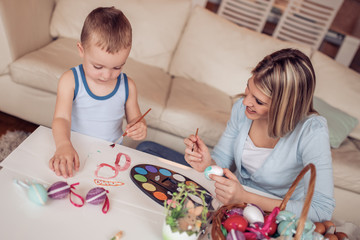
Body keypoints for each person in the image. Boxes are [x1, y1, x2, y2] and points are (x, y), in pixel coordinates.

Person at [138, 48, 335, 222]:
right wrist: (207, 164)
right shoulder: (241, 111)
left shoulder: (311, 131)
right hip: (231, 193)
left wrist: (245, 197)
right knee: (147, 149)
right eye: (248, 88)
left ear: (284, 107)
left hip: (266, 212)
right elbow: (222, 162)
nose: (245, 102)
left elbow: (321, 209)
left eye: (258, 101)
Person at [49, 7, 147, 178]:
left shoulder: (128, 86)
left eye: (117, 67)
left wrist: (140, 126)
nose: (107, 75)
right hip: (73, 149)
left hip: (110, 155)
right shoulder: (70, 80)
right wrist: (63, 145)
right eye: (98, 66)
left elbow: (136, 118)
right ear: (81, 50)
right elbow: (61, 118)